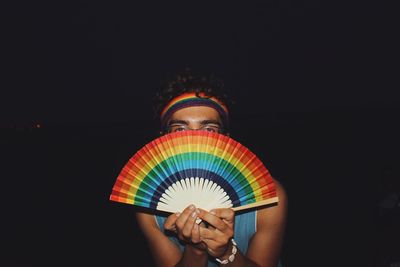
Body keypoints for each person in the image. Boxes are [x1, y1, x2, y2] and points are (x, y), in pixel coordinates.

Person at [135, 69, 288, 267]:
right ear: (163, 141)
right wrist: (196, 249)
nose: (195, 140)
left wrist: (227, 253)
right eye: (180, 129)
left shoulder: (270, 198)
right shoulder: (148, 209)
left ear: (226, 139)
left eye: (209, 129)